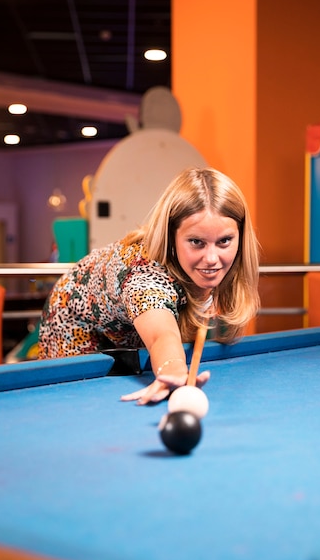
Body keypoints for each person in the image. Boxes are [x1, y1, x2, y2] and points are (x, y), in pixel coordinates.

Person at [38, 167, 260, 404]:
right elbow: (161, 335)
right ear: (171, 236)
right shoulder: (145, 275)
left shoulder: (206, 262)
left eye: (224, 241)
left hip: (122, 324)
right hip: (73, 322)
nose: (212, 258)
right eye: (196, 242)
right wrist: (172, 368)